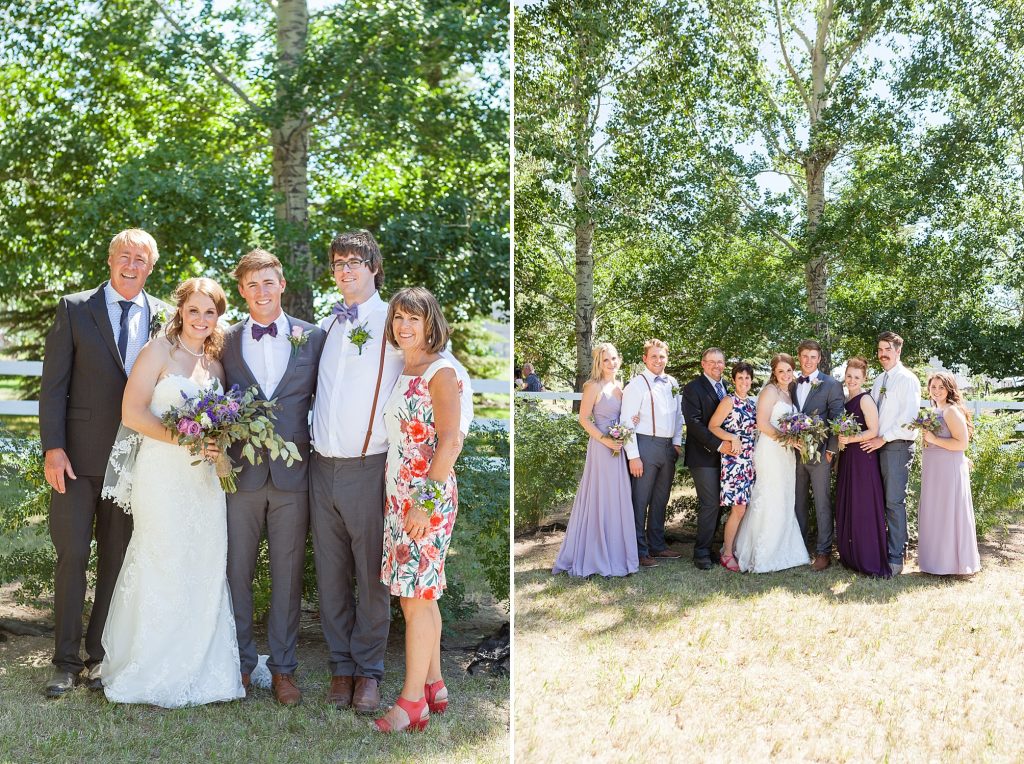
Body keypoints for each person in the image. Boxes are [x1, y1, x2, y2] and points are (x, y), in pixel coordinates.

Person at [310, 230, 473, 715]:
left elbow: (451, 414)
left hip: (385, 476)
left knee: (383, 583)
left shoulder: (397, 327)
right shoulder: (326, 327)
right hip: (325, 467)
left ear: (375, 267)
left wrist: (433, 486)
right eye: (338, 262)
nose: (346, 270)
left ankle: (372, 675)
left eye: (355, 261)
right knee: (334, 575)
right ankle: (345, 669)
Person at [38, 229, 171, 698]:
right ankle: (64, 660)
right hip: (75, 459)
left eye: (141, 259)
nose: (132, 264)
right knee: (73, 555)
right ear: (111, 260)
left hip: (137, 462)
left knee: (116, 559)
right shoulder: (75, 309)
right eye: (124, 256)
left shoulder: (167, 318)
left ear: (150, 267)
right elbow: (53, 384)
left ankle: (98, 656)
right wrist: (53, 447)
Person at [101, 278, 246, 707]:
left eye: (210, 312)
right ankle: (150, 665)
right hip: (162, 475)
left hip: (204, 482)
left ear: (218, 318)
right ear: (180, 310)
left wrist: (216, 445)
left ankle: (203, 665)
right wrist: (183, 440)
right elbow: (132, 411)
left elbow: (222, 424)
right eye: (194, 310)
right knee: (162, 558)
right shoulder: (157, 352)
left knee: (203, 561)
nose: (201, 319)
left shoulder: (216, 366)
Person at [221, 249, 326, 705]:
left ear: (282, 284)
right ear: (242, 292)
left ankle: (284, 669)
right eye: (252, 285)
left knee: (287, 576)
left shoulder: (315, 338)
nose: (261, 291)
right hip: (239, 477)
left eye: (269, 282)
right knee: (235, 573)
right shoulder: (222, 341)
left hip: (293, 478)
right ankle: (242, 665)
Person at [374, 287, 463, 733]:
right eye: (398, 319)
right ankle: (433, 683)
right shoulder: (406, 367)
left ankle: (411, 704)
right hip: (400, 495)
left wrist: (424, 505)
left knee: (416, 597)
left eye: (414, 318)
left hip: (426, 497)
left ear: (431, 323)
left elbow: (450, 441)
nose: (404, 326)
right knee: (420, 596)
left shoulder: (441, 371)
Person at [552, 343, 639, 578]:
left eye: (613, 359)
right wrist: (605, 440)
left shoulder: (620, 386)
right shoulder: (592, 386)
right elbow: (583, 419)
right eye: (605, 360)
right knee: (601, 496)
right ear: (598, 363)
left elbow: (625, 416)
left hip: (618, 447)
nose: (611, 363)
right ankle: (595, 555)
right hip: (602, 447)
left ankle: (616, 554)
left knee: (617, 498)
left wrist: (630, 424)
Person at [733, 353, 810, 573]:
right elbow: (762, 424)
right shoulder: (769, 391)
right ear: (774, 373)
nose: (785, 375)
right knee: (769, 495)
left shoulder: (790, 392)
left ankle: (784, 549)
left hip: (786, 453)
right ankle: (763, 553)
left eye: (788, 370)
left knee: (784, 497)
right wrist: (787, 439)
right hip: (770, 450)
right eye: (780, 371)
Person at [860, 332, 921, 575]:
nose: (882, 354)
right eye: (880, 350)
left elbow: (910, 419)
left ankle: (896, 558)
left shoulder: (907, 379)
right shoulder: (879, 379)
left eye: (887, 349)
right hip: (877, 445)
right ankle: (880, 550)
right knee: (877, 501)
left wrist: (882, 438)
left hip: (896, 446)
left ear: (898, 351)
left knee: (894, 502)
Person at [620, 339, 683, 568]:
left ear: (667, 358)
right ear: (645, 358)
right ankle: (638, 550)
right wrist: (633, 455)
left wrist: (676, 443)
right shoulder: (635, 385)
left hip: (667, 448)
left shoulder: (672, 383)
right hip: (644, 446)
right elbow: (626, 422)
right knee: (640, 500)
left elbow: (678, 416)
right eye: (654, 356)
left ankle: (657, 545)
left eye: (662, 356)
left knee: (660, 499)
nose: (658, 360)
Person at [917, 373, 981, 575]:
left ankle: (951, 564)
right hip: (934, 468)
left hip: (947, 470)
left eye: (941, 387)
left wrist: (934, 440)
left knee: (947, 512)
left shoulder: (951, 411)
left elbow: (962, 444)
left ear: (949, 389)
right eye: (933, 387)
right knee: (935, 511)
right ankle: (935, 562)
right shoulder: (935, 409)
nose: (936, 391)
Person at [790, 339, 845, 571]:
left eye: (813, 356)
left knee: (822, 503)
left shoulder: (831, 384)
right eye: (804, 356)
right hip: (793, 455)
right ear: (799, 357)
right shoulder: (791, 384)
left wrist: (831, 450)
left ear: (819, 359)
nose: (808, 361)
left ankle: (823, 552)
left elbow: (838, 418)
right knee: (798, 502)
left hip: (821, 455)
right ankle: (799, 547)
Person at [833, 357, 890, 578]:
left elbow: (873, 430)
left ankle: (868, 558)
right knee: (849, 503)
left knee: (863, 505)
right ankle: (850, 555)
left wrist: (851, 438)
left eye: (856, 377)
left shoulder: (865, 400)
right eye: (849, 376)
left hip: (863, 457)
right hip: (848, 457)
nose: (852, 380)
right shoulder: (847, 399)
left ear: (864, 378)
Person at [683, 347, 733, 570]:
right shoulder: (693, 388)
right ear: (702, 364)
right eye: (711, 362)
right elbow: (693, 424)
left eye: (720, 362)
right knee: (710, 503)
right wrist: (720, 445)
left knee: (719, 505)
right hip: (703, 456)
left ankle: (709, 547)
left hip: (725, 457)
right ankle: (700, 552)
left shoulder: (725, 388)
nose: (716, 366)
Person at [708, 362, 757, 573]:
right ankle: (727, 553)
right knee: (738, 508)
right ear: (734, 380)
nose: (744, 382)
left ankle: (732, 548)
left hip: (750, 460)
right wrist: (731, 437)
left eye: (747, 378)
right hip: (734, 460)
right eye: (740, 378)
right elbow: (713, 426)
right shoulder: (729, 401)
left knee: (744, 508)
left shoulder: (753, 403)